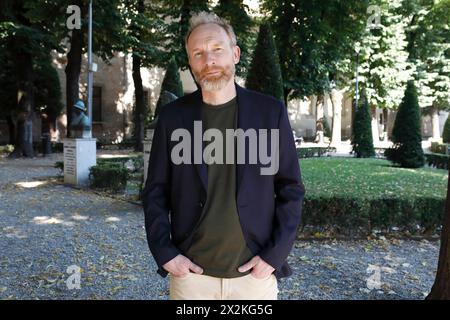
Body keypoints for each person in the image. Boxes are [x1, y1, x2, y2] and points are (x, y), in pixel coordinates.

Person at [142, 11, 306, 300]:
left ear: (236, 53)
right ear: (191, 63)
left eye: (217, 49)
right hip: (191, 278)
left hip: (254, 277)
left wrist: (274, 256)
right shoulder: (172, 118)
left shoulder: (270, 113)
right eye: (198, 53)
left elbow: (290, 189)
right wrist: (166, 254)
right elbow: (155, 191)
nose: (209, 60)